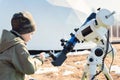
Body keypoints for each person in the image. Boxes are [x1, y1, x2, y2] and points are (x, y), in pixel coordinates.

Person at [0, 11, 45, 80]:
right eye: (31, 34)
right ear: (24, 31)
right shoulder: (17, 45)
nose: (31, 37)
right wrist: (39, 59)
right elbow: (30, 69)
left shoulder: (6, 41)